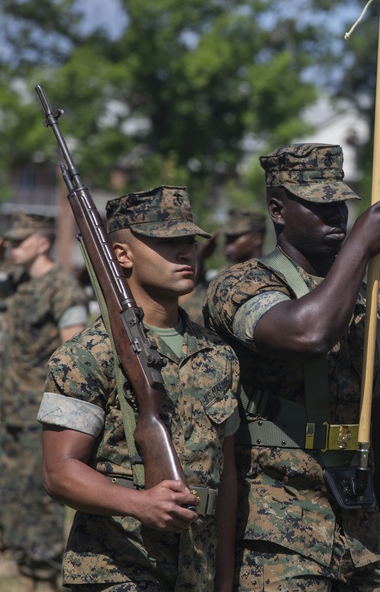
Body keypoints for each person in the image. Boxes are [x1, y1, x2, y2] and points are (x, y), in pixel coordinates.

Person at [204, 142, 380, 590]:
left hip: (360, 529)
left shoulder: (377, 307)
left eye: (341, 203)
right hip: (276, 527)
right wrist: (358, 249)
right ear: (277, 209)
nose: (336, 214)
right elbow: (308, 335)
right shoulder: (242, 283)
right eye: (319, 204)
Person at [37, 186, 240, 590]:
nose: (186, 253)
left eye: (189, 241)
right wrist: (138, 504)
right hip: (118, 569)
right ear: (122, 255)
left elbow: (228, 474)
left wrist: (225, 575)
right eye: (167, 243)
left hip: (197, 570)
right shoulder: (86, 355)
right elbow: (58, 472)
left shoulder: (219, 354)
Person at [0, 211, 89, 589]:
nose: (11, 249)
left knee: (39, 496)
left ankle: (45, 572)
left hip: (39, 412)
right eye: (9, 242)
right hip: (8, 409)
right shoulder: (13, 284)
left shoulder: (62, 289)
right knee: (12, 493)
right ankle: (21, 564)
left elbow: (74, 355)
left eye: (19, 242)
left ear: (43, 242)